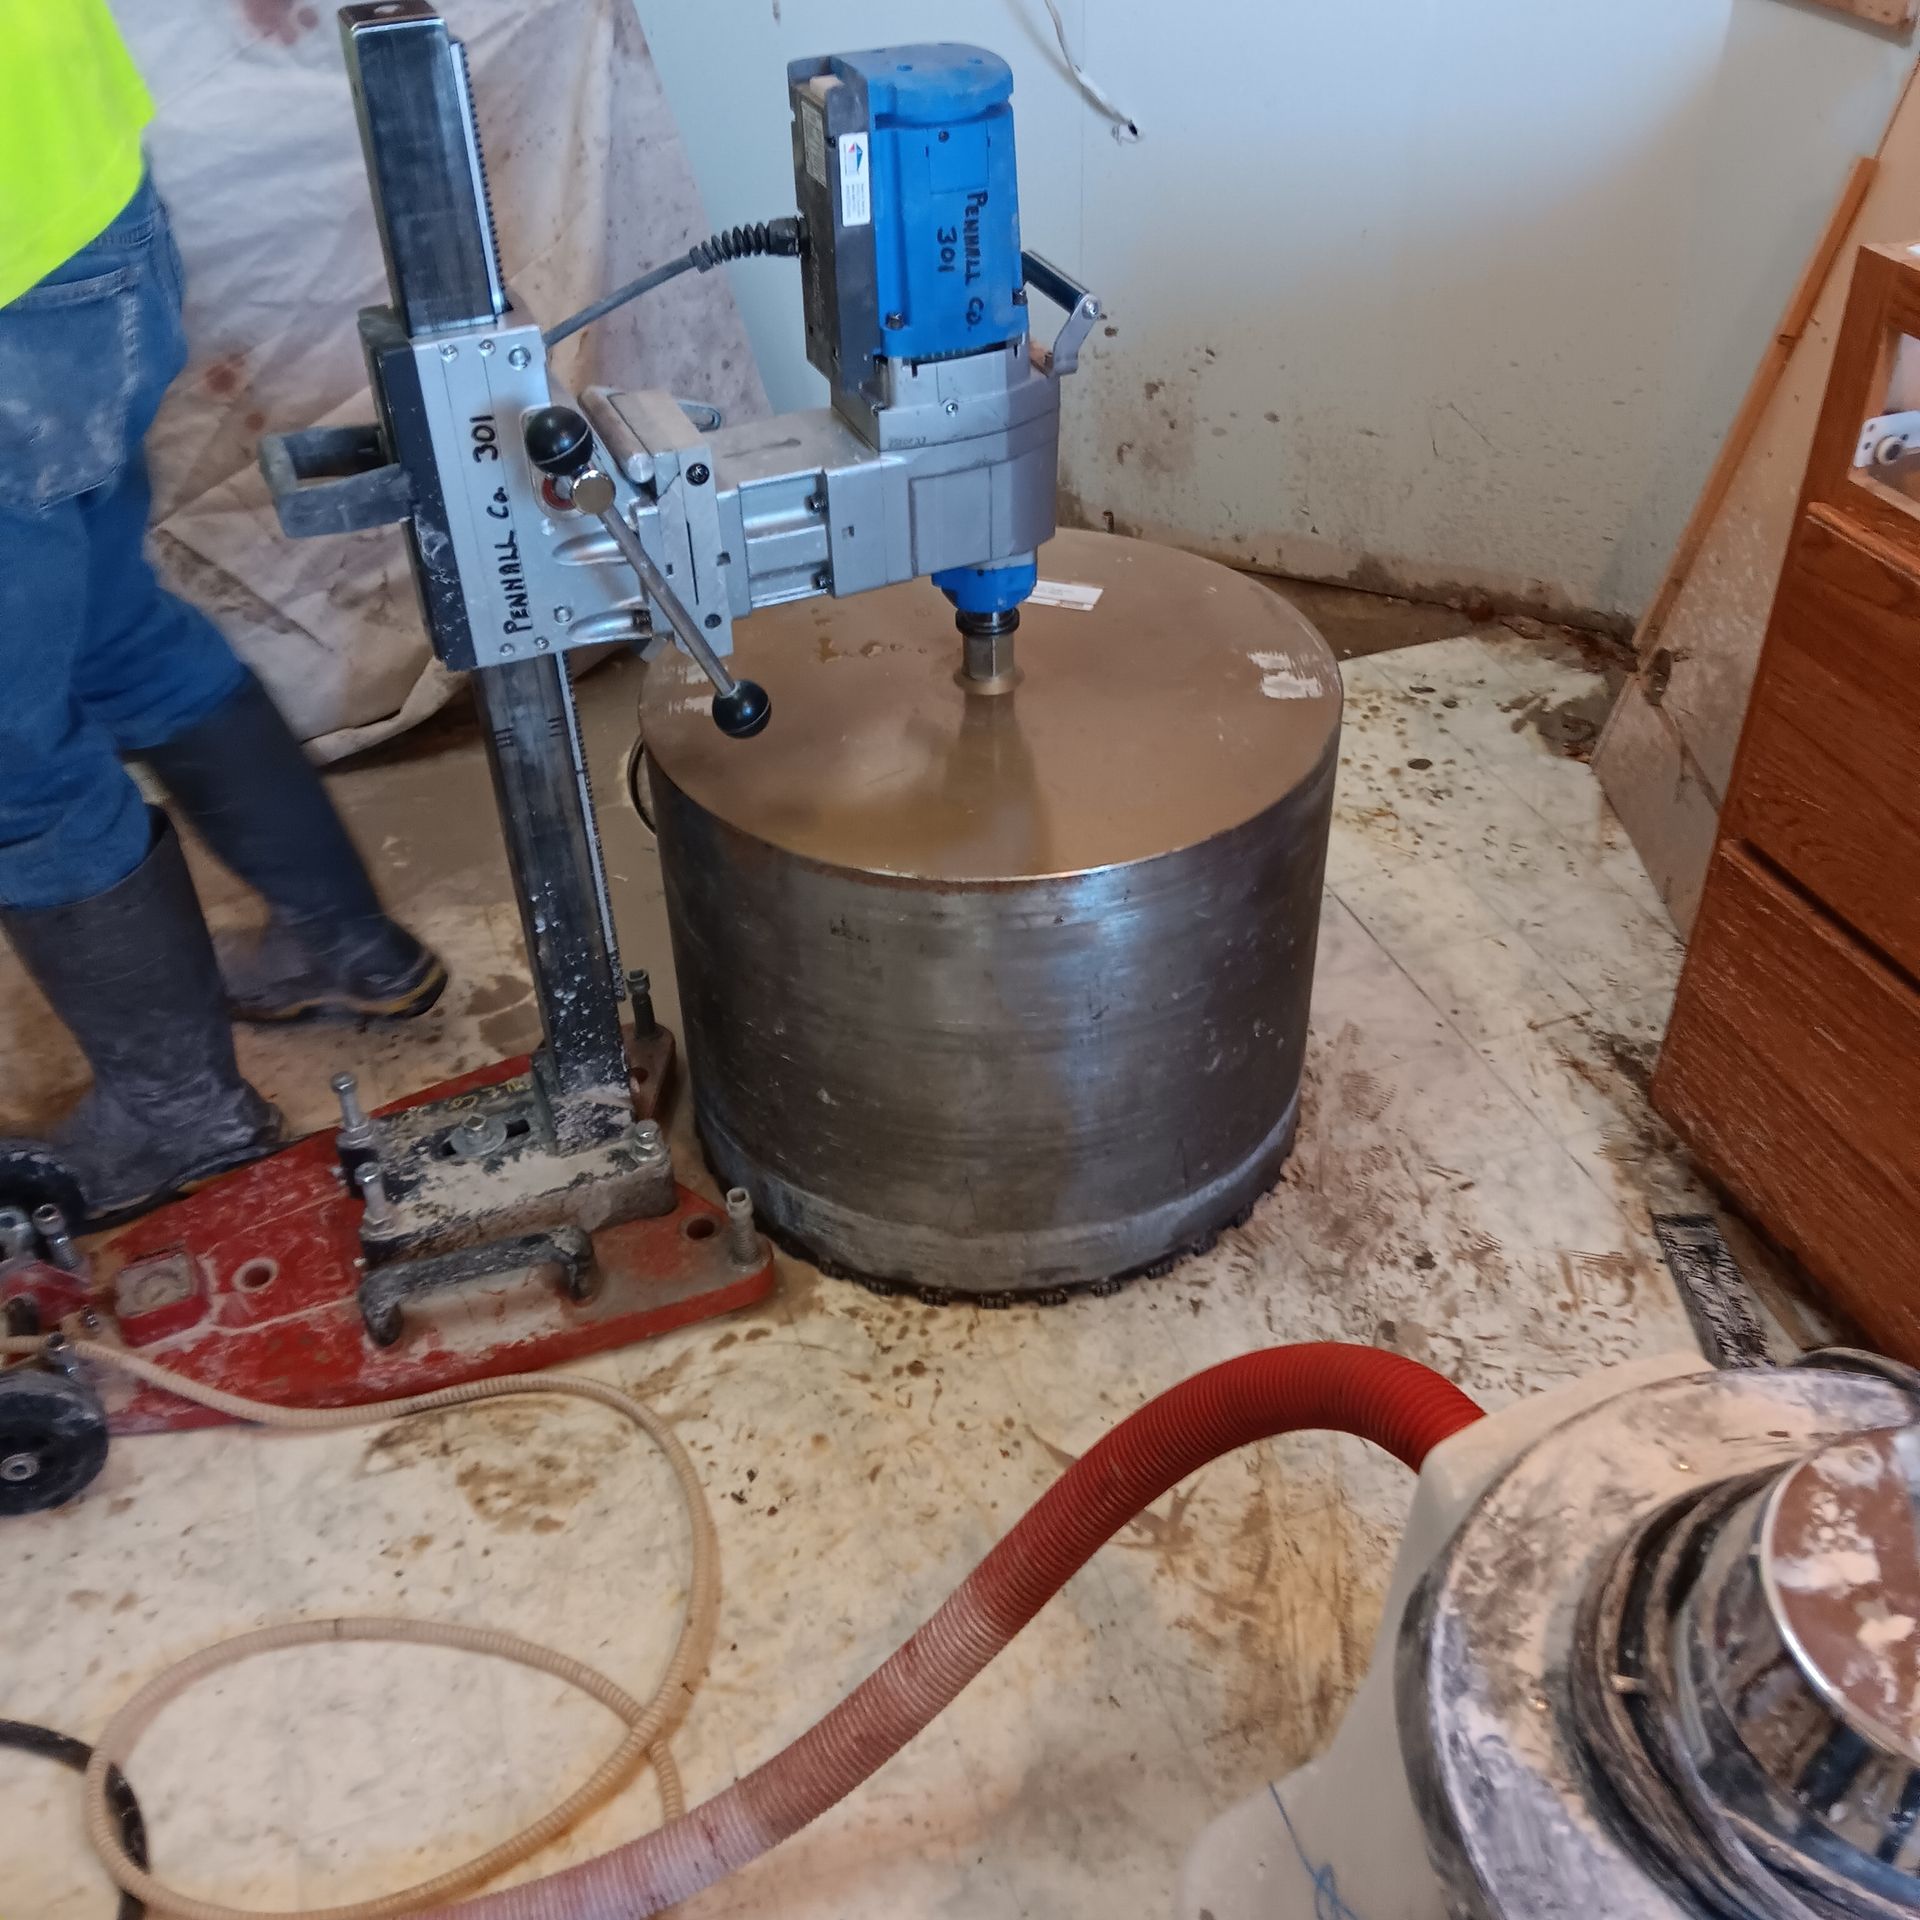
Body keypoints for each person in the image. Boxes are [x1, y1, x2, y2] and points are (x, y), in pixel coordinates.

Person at [0, 2, 444, 1225]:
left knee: (14, 759)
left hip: (9, 278)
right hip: (79, 202)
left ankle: (179, 1115)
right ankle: (345, 943)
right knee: (110, 630)